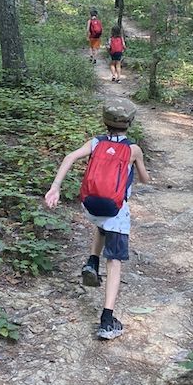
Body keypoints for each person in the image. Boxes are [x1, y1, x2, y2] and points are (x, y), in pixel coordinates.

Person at [44, 97, 151, 340]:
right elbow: (144, 179)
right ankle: (107, 320)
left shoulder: (94, 143)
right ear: (129, 123)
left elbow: (69, 157)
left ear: (105, 121)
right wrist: (138, 166)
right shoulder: (133, 150)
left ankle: (92, 261)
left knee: (102, 224)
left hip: (90, 206)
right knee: (114, 261)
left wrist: (55, 187)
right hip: (115, 209)